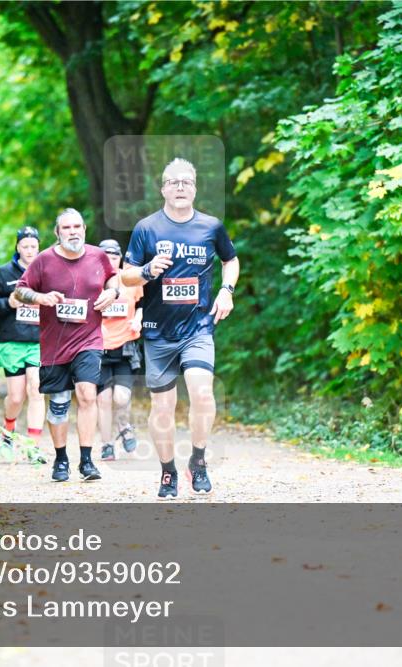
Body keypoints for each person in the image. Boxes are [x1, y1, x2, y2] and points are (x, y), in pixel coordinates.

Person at [121, 158, 240, 499]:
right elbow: (125, 275)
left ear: (195, 188)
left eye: (186, 182)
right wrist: (146, 271)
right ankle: (168, 471)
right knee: (162, 408)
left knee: (203, 393)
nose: (180, 187)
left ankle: (198, 461)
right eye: (173, 182)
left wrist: (226, 290)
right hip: (158, 331)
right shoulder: (146, 228)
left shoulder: (211, 226)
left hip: (198, 328)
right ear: (163, 189)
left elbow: (230, 260)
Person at [14, 209, 120, 483]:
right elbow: (20, 290)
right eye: (66, 227)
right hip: (54, 344)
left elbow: (113, 277)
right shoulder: (44, 260)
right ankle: (61, 459)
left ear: (84, 228)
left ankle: (87, 460)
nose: (73, 231)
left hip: (89, 339)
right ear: (57, 233)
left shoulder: (98, 255)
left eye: (77, 226)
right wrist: (40, 296)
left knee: (87, 394)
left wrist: (112, 291)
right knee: (59, 403)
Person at [0, 226, 46, 454]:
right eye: (25, 246)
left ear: (39, 247)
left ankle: (33, 446)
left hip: (39, 342)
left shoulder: (47, 270)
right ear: (18, 247)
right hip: (12, 341)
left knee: (36, 389)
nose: (29, 251)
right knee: (16, 396)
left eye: (33, 246)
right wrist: (8, 304)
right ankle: (8, 432)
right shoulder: (4, 273)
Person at [96, 239, 143, 462]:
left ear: (121, 258)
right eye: (106, 257)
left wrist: (139, 320)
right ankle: (106, 444)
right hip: (99, 347)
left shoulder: (131, 279)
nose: (110, 261)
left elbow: (143, 305)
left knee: (121, 397)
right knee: (103, 400)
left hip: (125, 345)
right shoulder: (92, 280)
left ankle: (124, 428)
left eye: (114, 257)